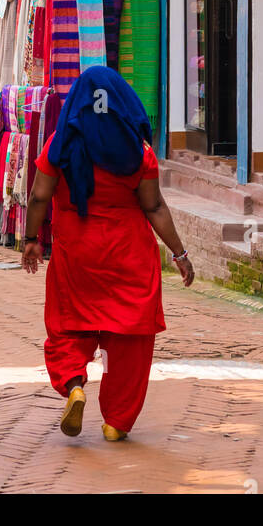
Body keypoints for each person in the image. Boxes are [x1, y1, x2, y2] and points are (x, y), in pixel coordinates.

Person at [22, 65, 194, 442]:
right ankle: (116, 421)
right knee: (130, 337)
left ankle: (74, 385)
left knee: (69, 323)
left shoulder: (60, 144)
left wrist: (31, 238)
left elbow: (38, 196)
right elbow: (155, 207)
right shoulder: (139, 151)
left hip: (77, 251)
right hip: (129, 253)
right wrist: (180, 253)